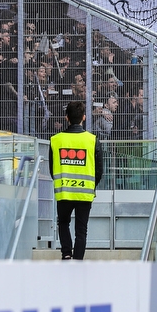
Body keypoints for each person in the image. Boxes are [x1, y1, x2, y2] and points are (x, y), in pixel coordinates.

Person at [48, 100, 103, 260]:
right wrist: (90, 185)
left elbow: (52, 168)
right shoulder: (92, 140)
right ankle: (78, 260)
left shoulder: (56, 140)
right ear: (84, 117)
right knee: (81, 229)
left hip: (64, 191)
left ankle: (66, 254)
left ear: (67, 118)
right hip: (84, 193)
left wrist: (62, 181)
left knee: (63, 222)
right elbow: (99, 170)